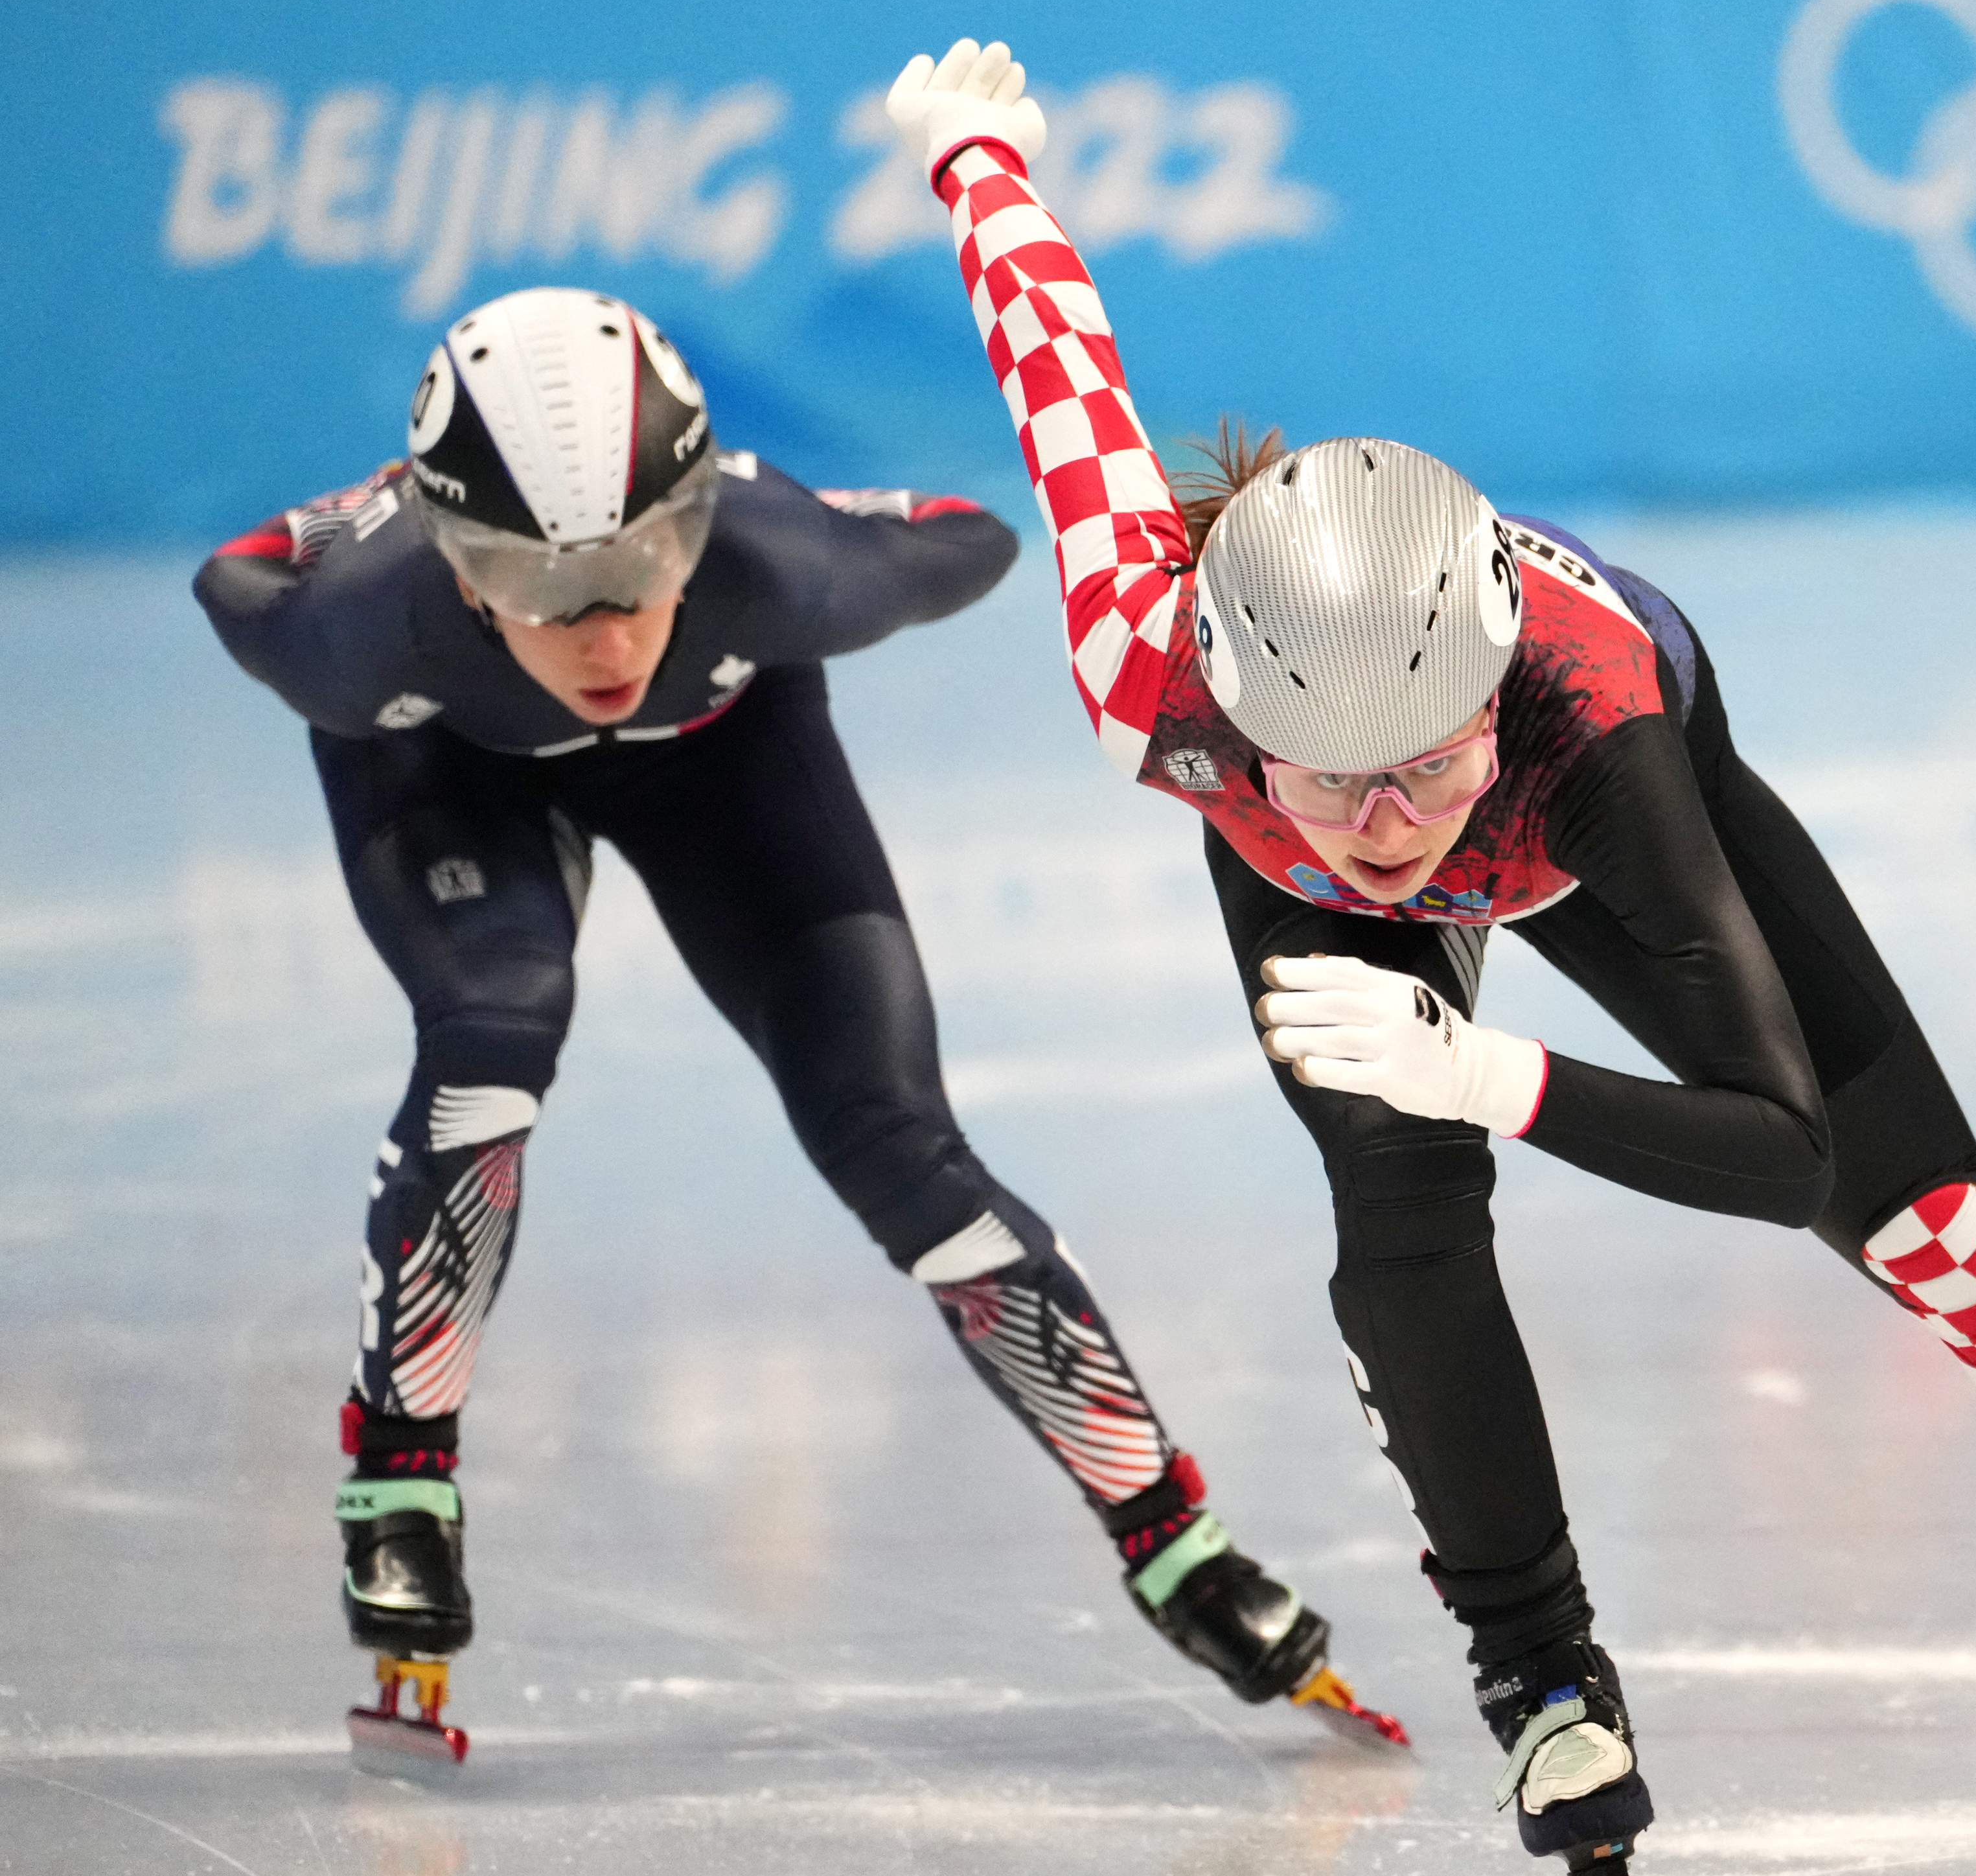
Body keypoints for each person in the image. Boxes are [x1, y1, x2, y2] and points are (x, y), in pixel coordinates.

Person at [884, 36, 1976, 1876]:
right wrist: (979, 157)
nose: (1388, 834)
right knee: (1398, 1212)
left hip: (1595, 831)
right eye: (1329, 781)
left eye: (1425, 768)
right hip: (1348, 854)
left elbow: (1781, 1151)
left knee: (1943, 1231)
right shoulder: (1146, 663)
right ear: (1234, 717)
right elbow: (1062, 376)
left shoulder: (1593, 734)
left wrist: (1495, 1070)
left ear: (1491, 707)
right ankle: (1538, 1673)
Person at [193, 286, 1403, 1765]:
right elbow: (237, 575)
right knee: (495, 1028)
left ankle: (1174, 1541)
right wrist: (358, 517)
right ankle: (399, 1480)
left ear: (699, 517)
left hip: (722, 756)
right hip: (448, 763)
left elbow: (972, 535)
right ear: (454, 556)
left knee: (895, 1141)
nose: (603, 631)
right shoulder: (352, 629)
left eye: (645, 560)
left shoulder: (781, 567)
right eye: (537, 579)